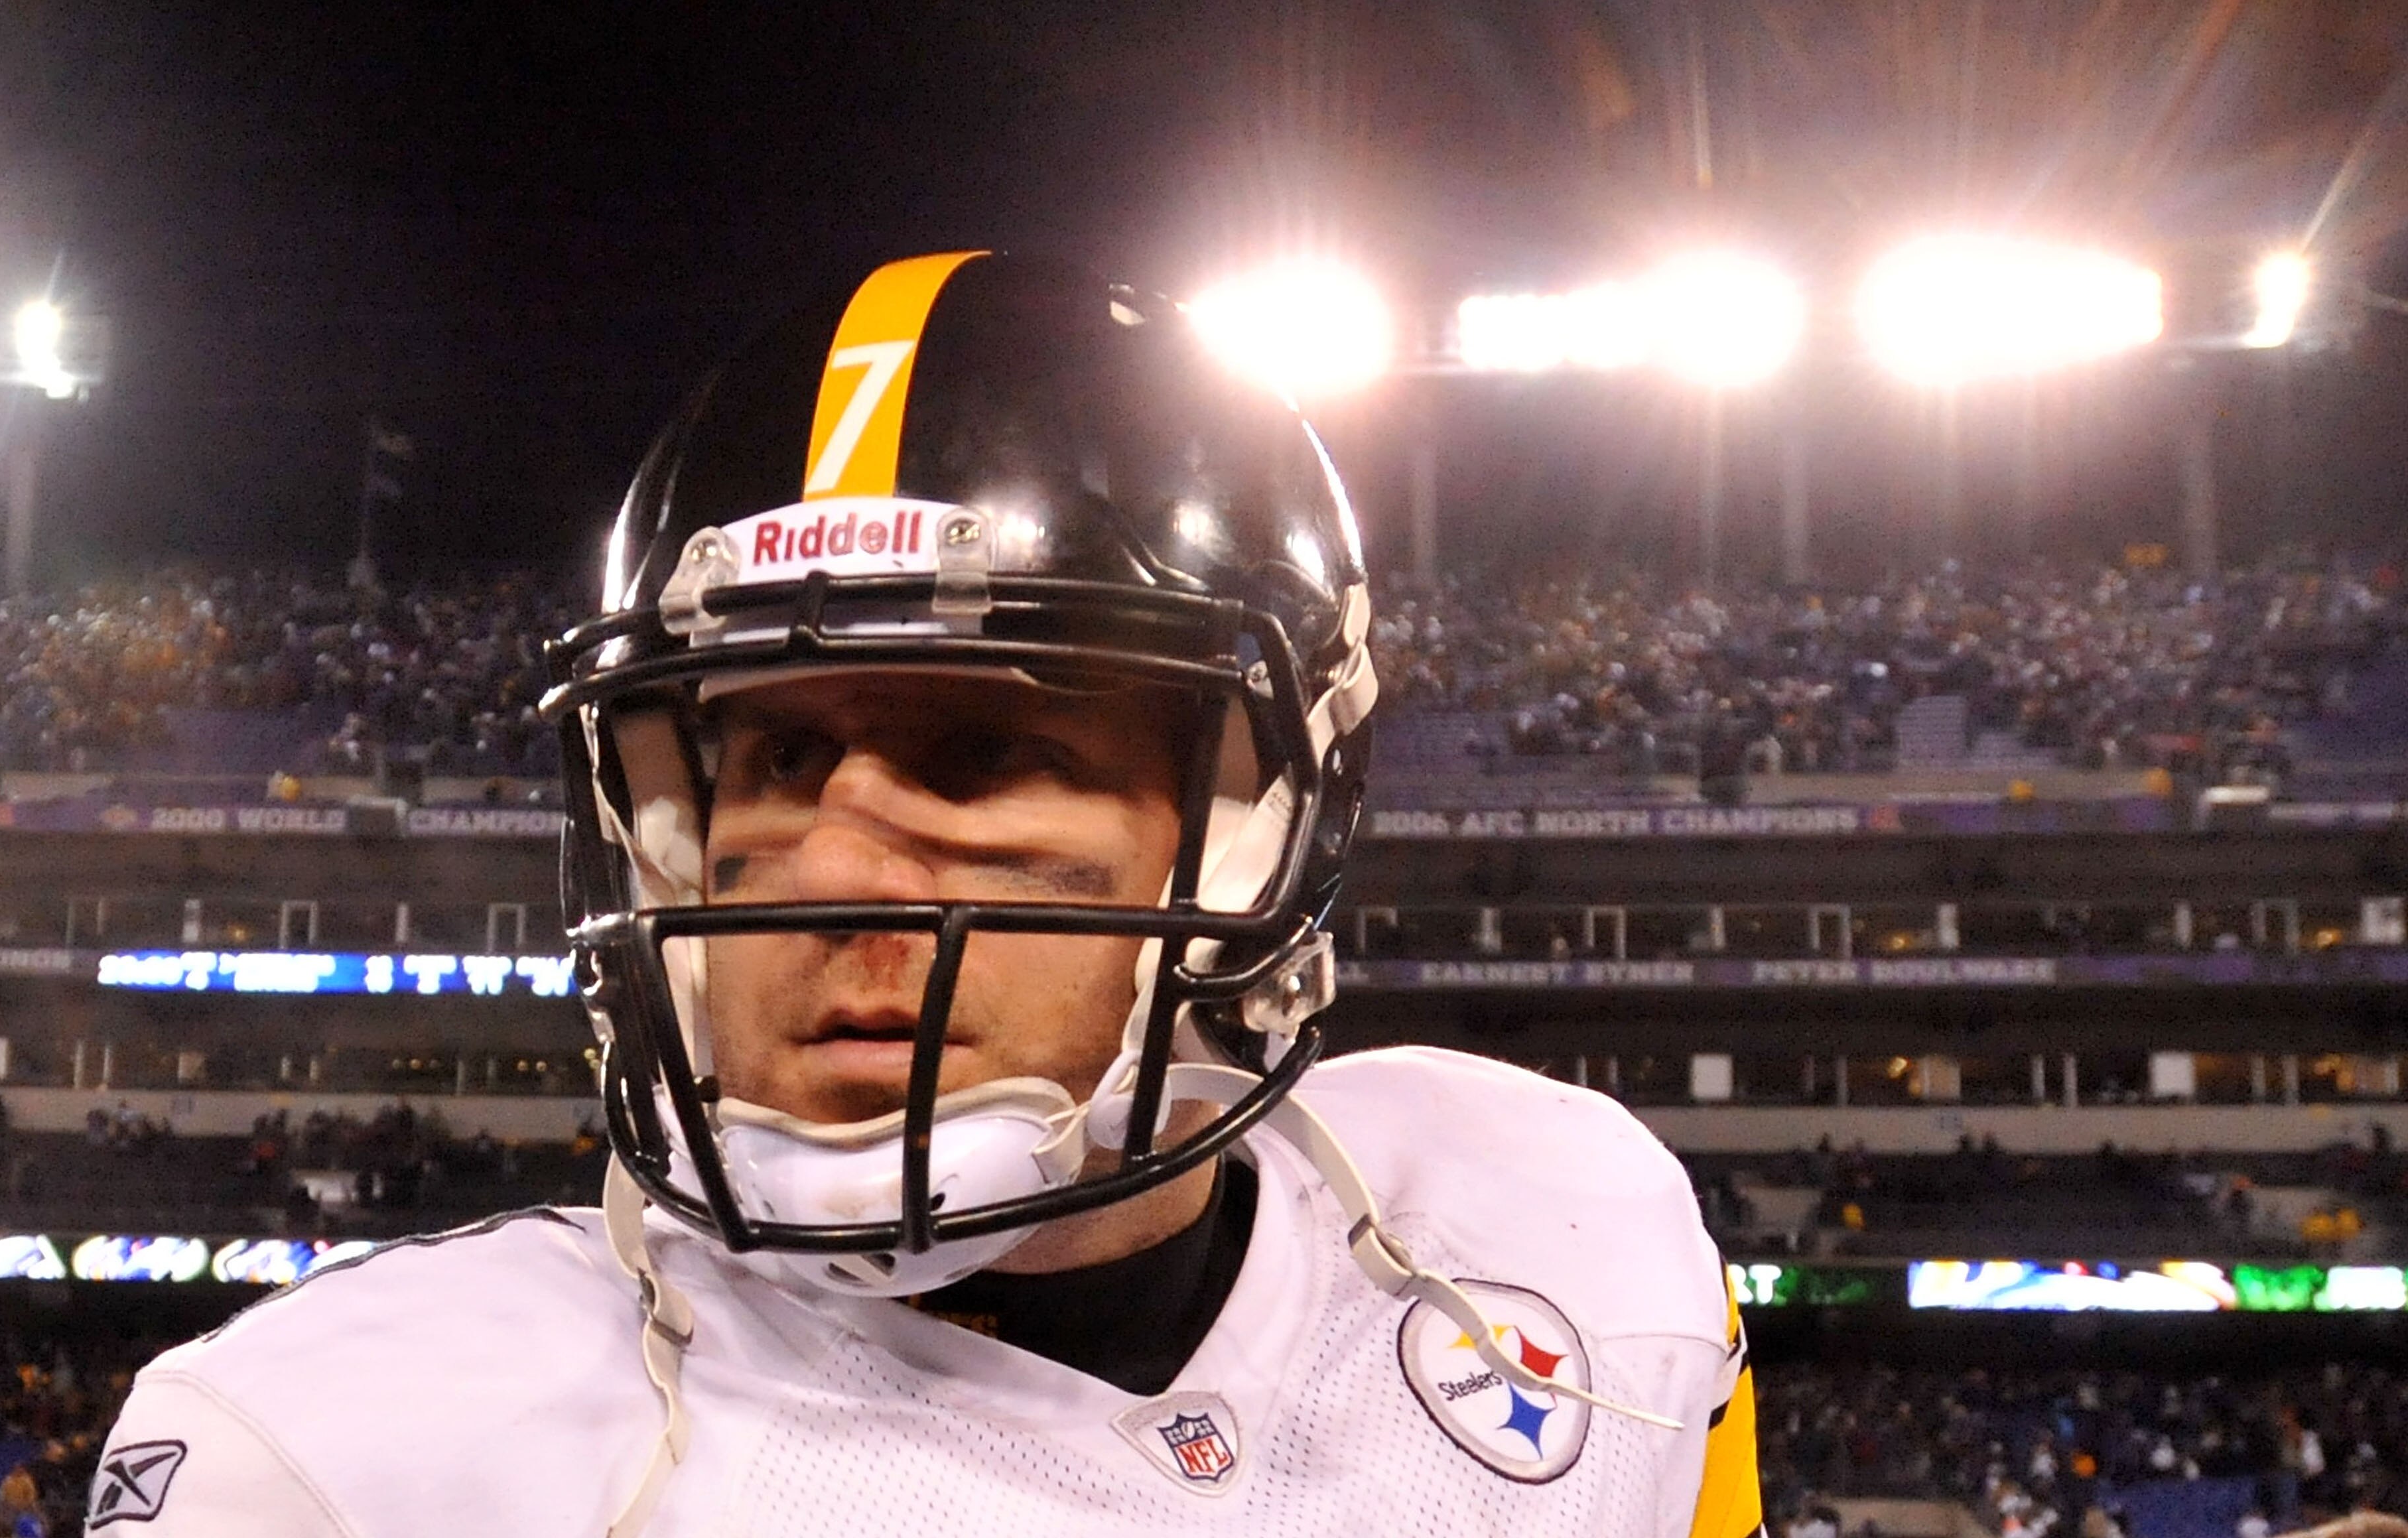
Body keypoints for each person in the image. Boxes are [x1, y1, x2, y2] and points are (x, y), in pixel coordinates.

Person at [93, 254, 1762, 1534]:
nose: (827, 870)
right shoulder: (349, 1460)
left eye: (971, 758)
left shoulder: (1565, 1235)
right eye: (772, 766)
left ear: (1257, 825)